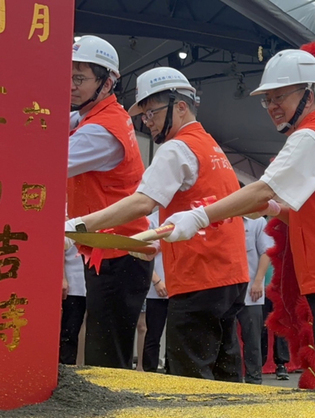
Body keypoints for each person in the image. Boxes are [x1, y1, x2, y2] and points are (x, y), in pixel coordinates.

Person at [160, 49, 315, 395]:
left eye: (280, 96)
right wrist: (277, 210)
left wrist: (199, 216)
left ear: (310, 93)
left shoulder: (310, 136)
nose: (273, 106)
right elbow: (314, 205)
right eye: (268, 99)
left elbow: (264, 189)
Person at [64, 66, 249, 381]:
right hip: (230, 275)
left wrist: (79, 226)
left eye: (151, 113)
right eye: (144, 116)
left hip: (198, 275)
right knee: (226, 371)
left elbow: (142, 202)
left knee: (190, 377)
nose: (146, 123)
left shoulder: (176, 148)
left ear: (179, 106)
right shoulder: (211, 145)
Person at [64, 35, 152, 369]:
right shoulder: (92, 117)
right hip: (111, 250)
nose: (71, 86)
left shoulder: (102, 130)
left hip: (119, 252)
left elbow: (44, 160)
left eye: (80, 78)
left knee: (106, 355)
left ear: (108, 82)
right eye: (67, 76)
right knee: (102, 343)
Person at [130, 211, 169, 373]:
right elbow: (142, 255)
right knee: (152, 334)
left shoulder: (183, 217)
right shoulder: (150, 223)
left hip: (178, 287)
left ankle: (172, 372)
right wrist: (157, 281)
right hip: (156, 290)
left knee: (175, 337)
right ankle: (149, 370)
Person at [238, 216, 274, 384]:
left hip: (250, 290)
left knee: (252, 338)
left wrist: (258, 281)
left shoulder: (256, 221)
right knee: (226, 338)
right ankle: (230, 378)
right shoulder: (220, 218)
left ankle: (254, 378)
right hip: (225, 291)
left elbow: (267, 251)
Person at [59, 245, 86, 365]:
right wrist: (62, 278)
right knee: (69, 331)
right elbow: (58, 251)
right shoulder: (68, 226)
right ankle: (66, 367)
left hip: (98, 285)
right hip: (74, 285)